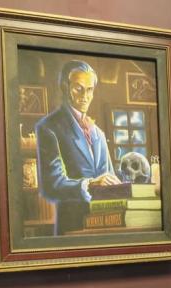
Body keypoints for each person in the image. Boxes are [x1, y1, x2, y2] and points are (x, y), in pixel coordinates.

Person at [35, 60, 121, 235]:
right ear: (65, 87)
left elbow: (109, 177)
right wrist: (90, 184)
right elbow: (51, 186)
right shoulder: (49, 127)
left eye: (90, 90)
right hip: (72, 228)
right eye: (78, 88)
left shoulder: (98, 133)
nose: (85, 96)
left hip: (107, 226)